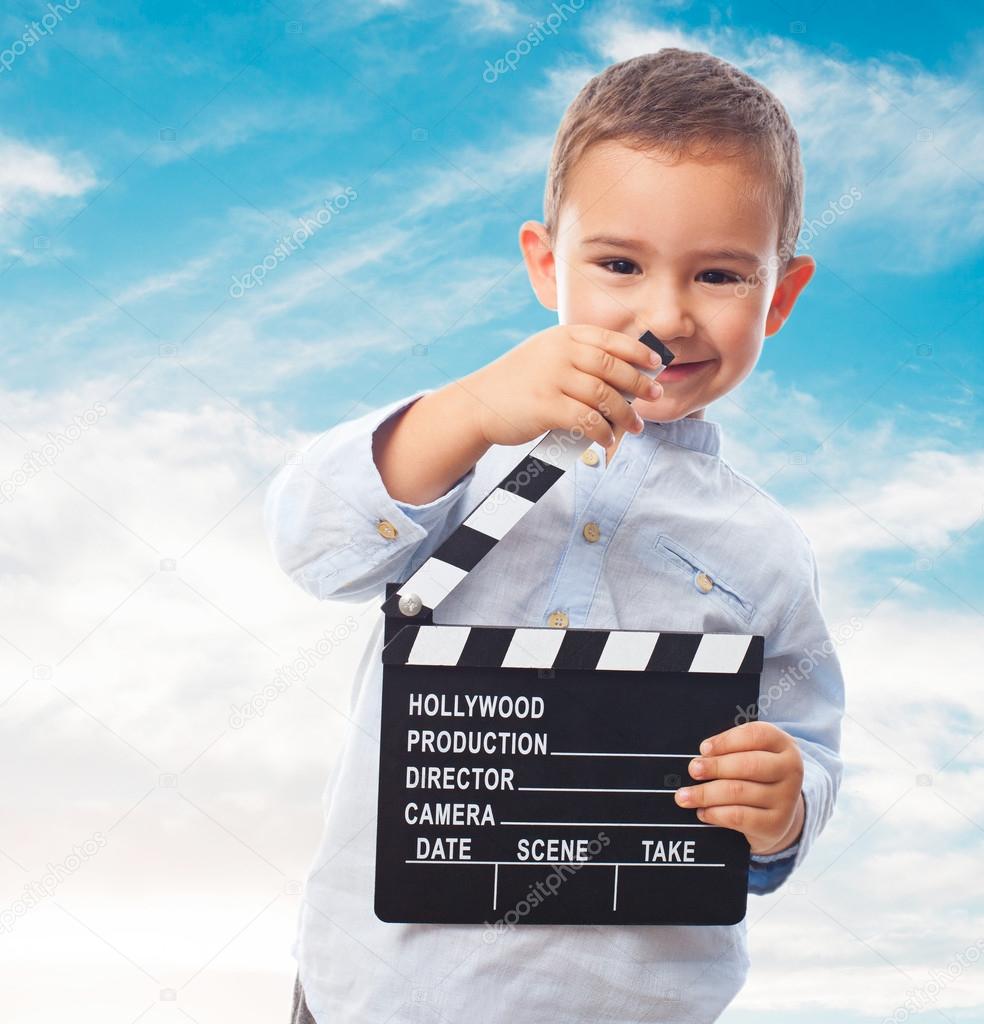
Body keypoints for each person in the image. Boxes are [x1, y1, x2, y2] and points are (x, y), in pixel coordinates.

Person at [265, 47, 845, 1024]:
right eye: (619, 263)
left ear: (779, 296)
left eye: (718, 275)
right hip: (382, 991)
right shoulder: (462, 451)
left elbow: (805, 736)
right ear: (545, 263)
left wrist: (787, 801)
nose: (666, 314)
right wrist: (469, 408)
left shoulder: (765, 546)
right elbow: (314, 543)